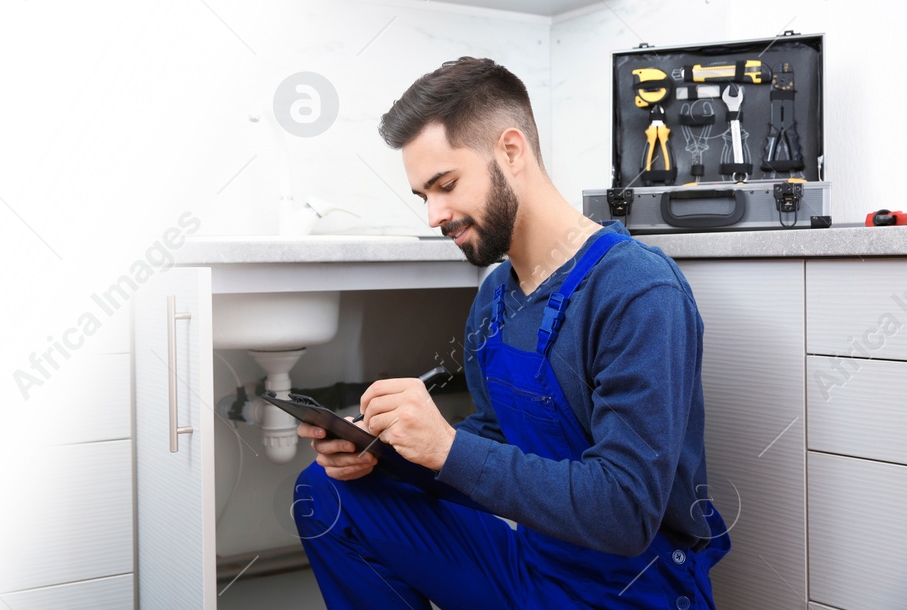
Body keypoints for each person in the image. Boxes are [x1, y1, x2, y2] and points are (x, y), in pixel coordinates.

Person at [292, 57, 730, 609]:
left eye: (445, 184)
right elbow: (498, 443)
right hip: (535, 567)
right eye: (422, 196)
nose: (433, 214)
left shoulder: (636, 290)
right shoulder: (496, 295)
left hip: (633, 590)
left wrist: (446, 447)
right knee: (327, 492)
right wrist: (387, 453)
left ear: (511, 151)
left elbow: (626, 512)